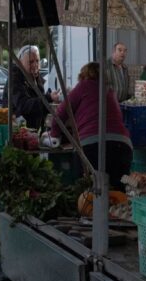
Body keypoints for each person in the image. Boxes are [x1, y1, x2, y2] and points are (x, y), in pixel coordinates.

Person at [51, 62, 132, 192]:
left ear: (83, 75)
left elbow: (60, 114)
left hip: (91, 145)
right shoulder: (110, 91)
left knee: (87, 193)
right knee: (118, 194)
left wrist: (54, 136)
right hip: (122, 145)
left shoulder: (83, 86)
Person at [3, 45, 61, 131]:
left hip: (33, 130)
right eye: (31, 62)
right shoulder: (14, 79)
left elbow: (40, 104)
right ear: (20, 62)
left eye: (37, 61)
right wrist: (49, 98)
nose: (35, 65)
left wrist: (53, 101)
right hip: (17, 131)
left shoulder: (36, 78)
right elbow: (23, 105)